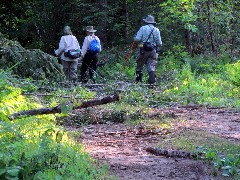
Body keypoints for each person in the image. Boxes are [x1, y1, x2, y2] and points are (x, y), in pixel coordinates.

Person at [134, 15, 162, 86]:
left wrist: (134, 37)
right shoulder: (156, 30)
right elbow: (159, 43)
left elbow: (137, 39)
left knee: (139, 65)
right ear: (153, 22)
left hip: (143, 50)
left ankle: (138, 82)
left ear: (146, 22)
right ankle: (151, 84)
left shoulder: (143, 28)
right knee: (151, 66)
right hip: (153, 50)